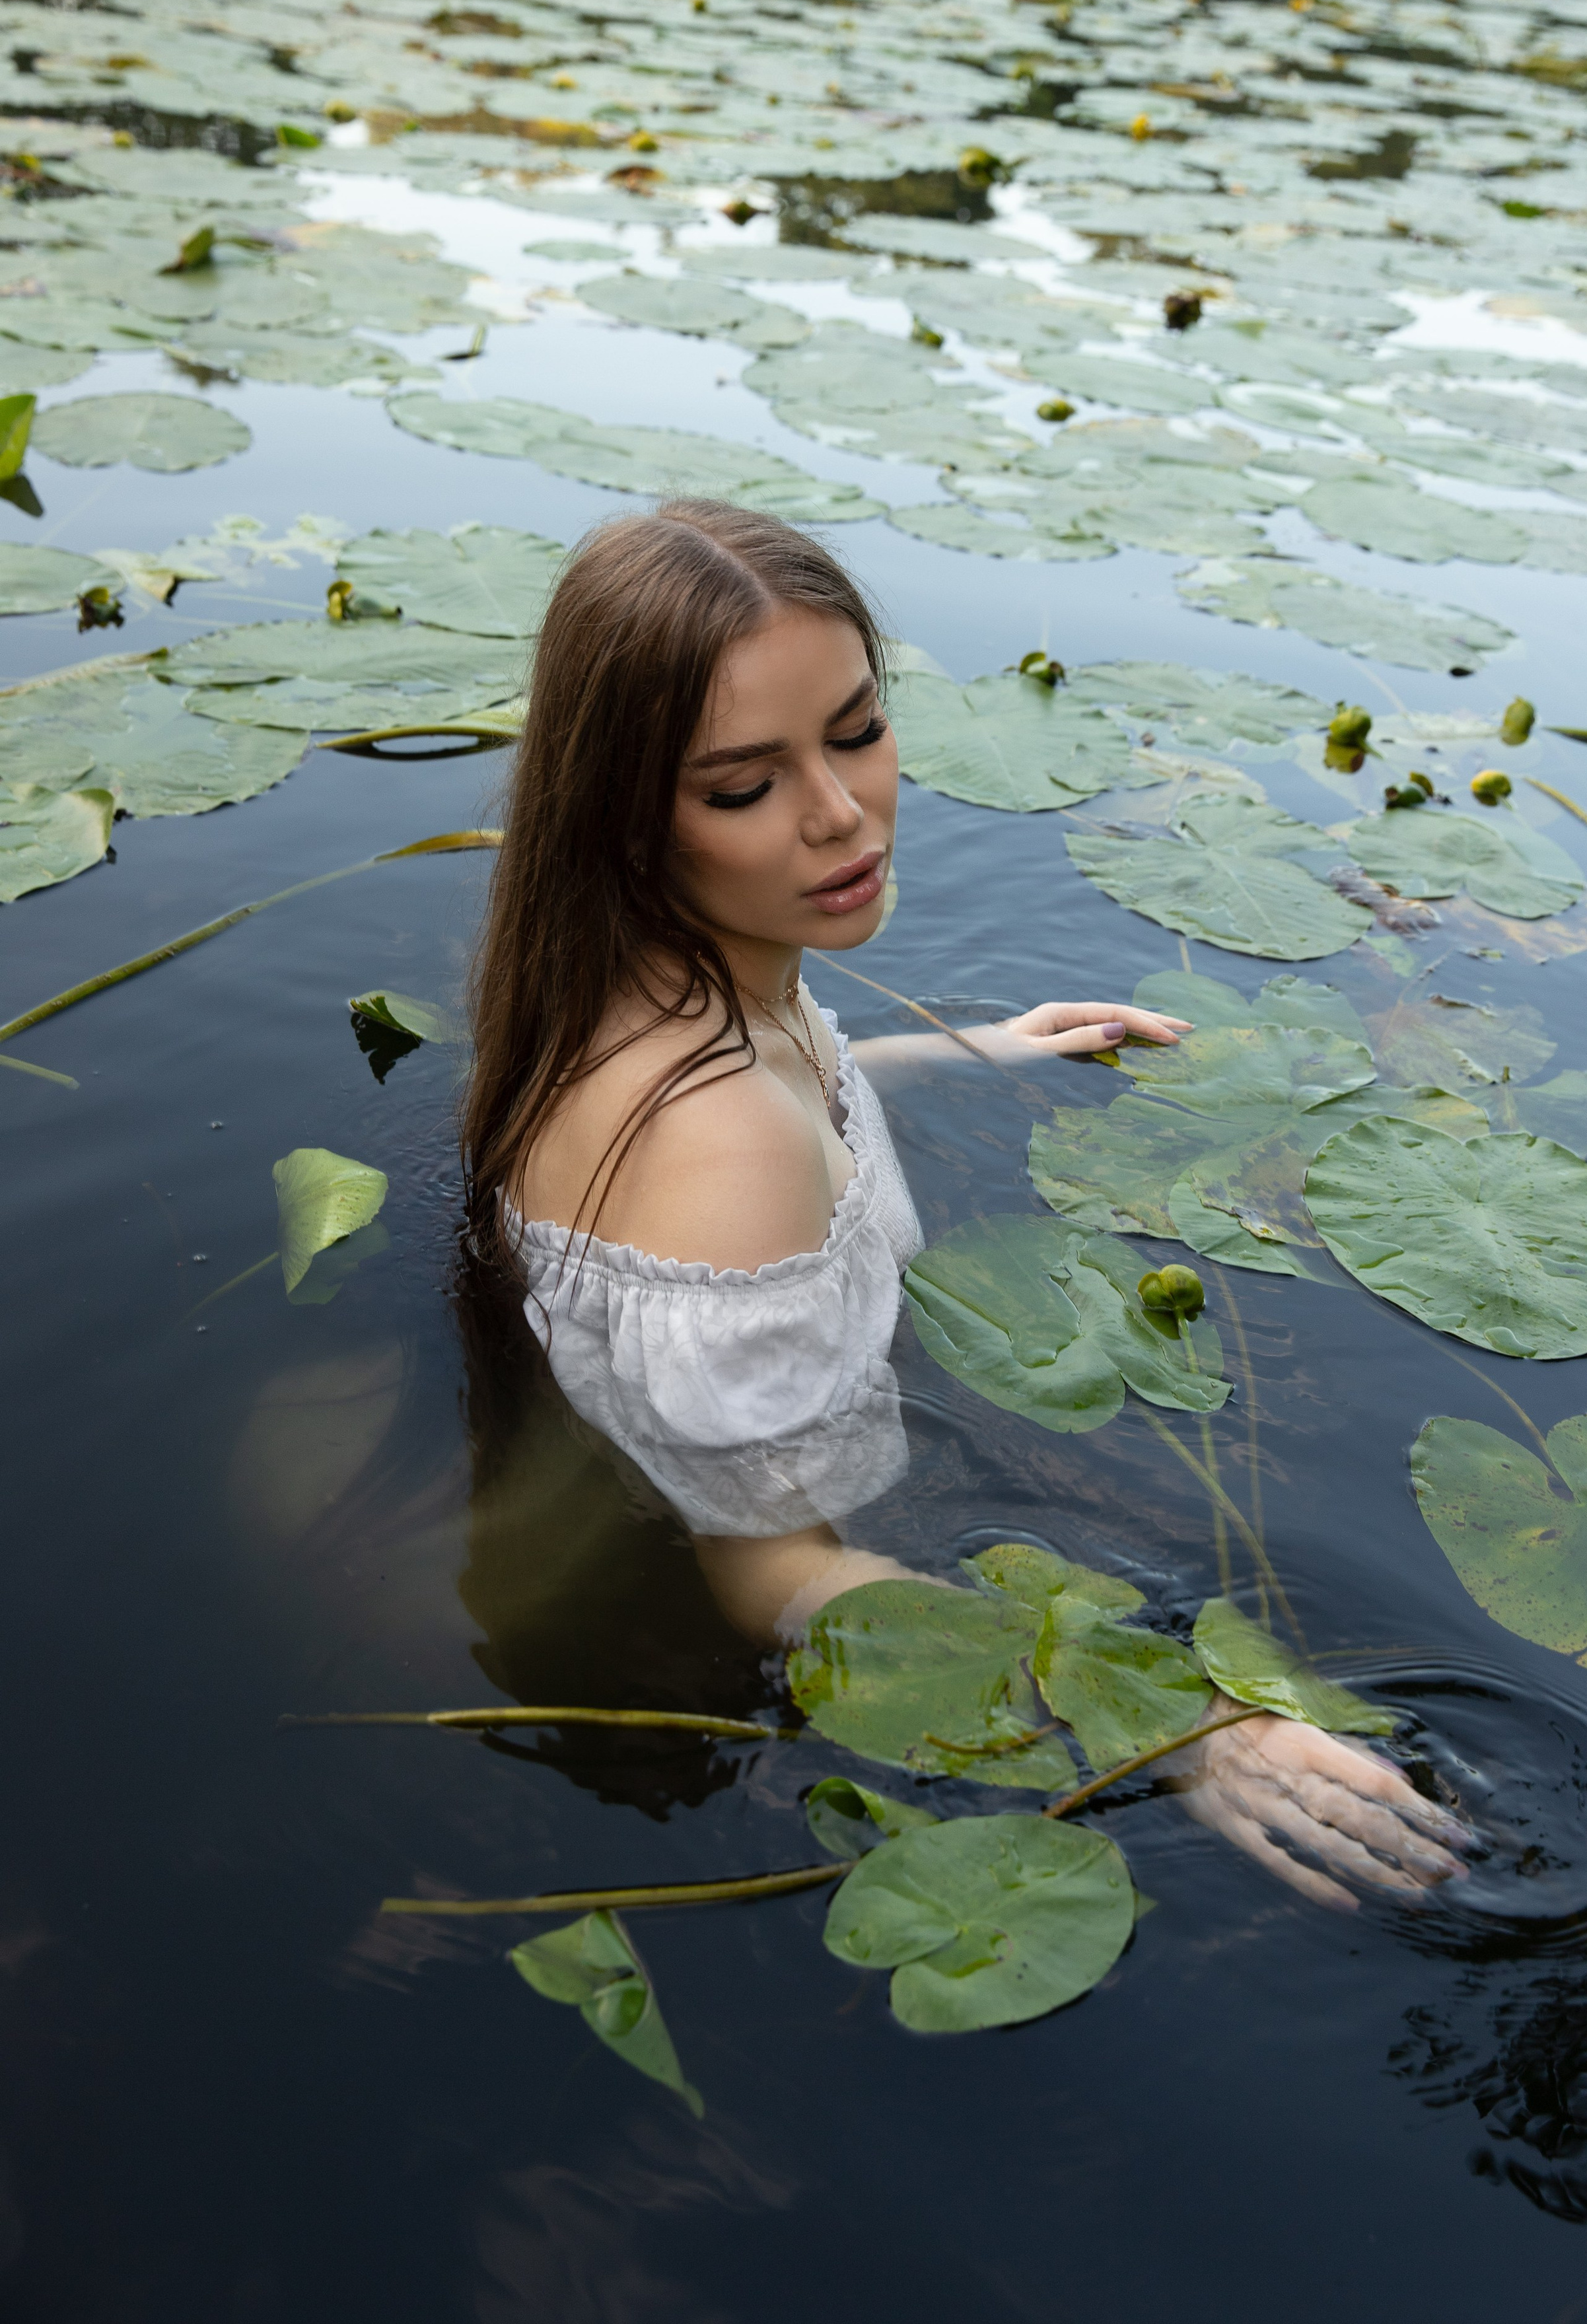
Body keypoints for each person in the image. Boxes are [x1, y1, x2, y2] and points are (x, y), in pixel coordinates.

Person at [461, 497, 1469, 1913]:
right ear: (628, 815)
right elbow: (769, 1566)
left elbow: (778, 1085)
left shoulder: (631, 984)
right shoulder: (727, 1143)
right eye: (742, 787)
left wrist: (968, 1048)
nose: (837, 812)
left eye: (856, 730)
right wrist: (1159, 1725)